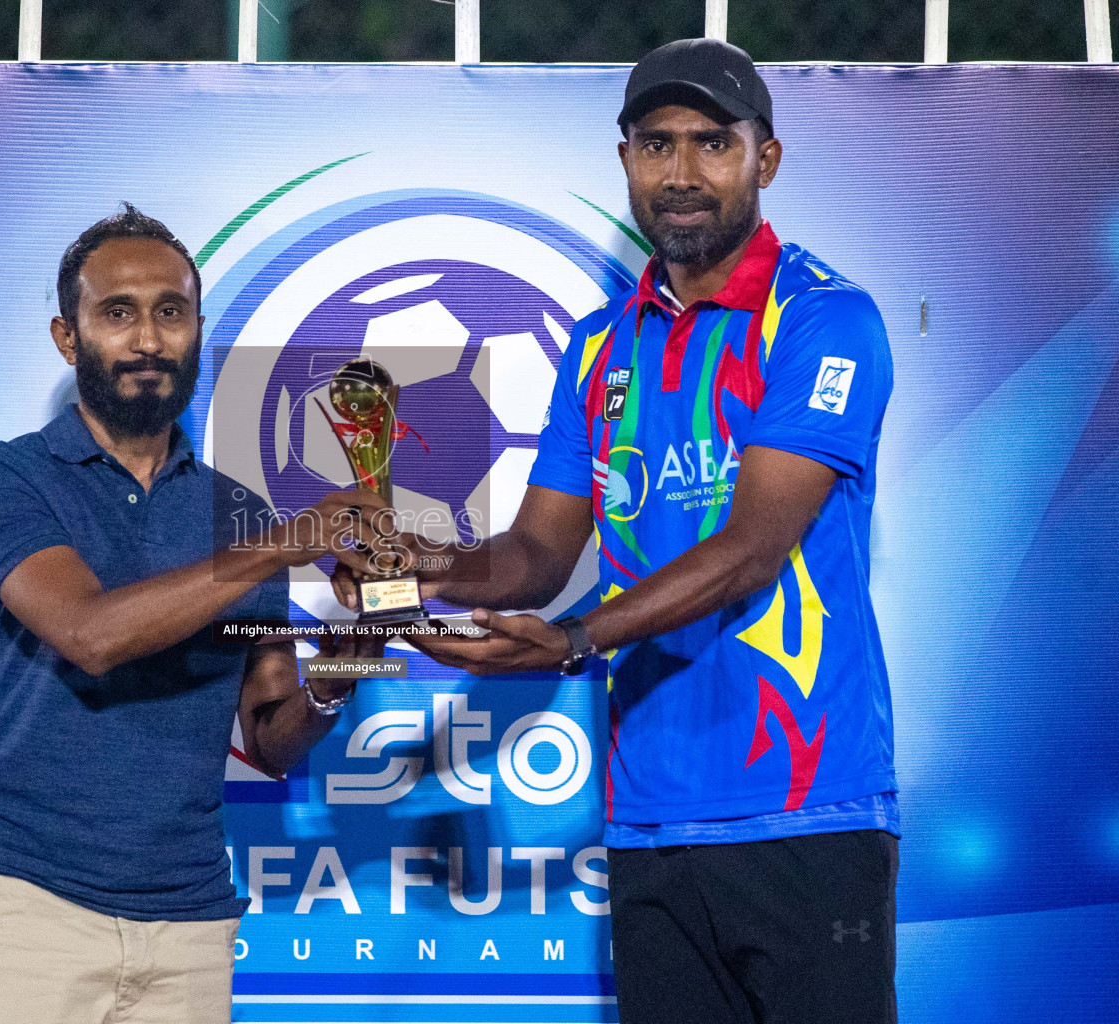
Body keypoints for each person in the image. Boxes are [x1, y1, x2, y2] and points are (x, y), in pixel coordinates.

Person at [336, 38, 898, 1024]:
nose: (680, 174)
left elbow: (752, 545)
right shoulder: (601, 345)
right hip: (647, 824)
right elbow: (535, 553)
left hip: (809, 811)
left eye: (711, 144)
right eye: (654, 144)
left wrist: (575, 640)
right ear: (626, 157)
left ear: (764, 160)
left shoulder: (822, 320)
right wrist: (414, 565)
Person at [0, 203, 376, 1024]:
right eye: (118, 313)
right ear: (68, 339)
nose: (147, 339)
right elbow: (90, 635)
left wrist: (359, 645)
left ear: (198, 329)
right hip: (29, 908)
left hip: (191, 922)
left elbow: (274, 738)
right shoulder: (6, 481)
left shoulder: (240, 513)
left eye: (170, 313)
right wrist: (287, 542)